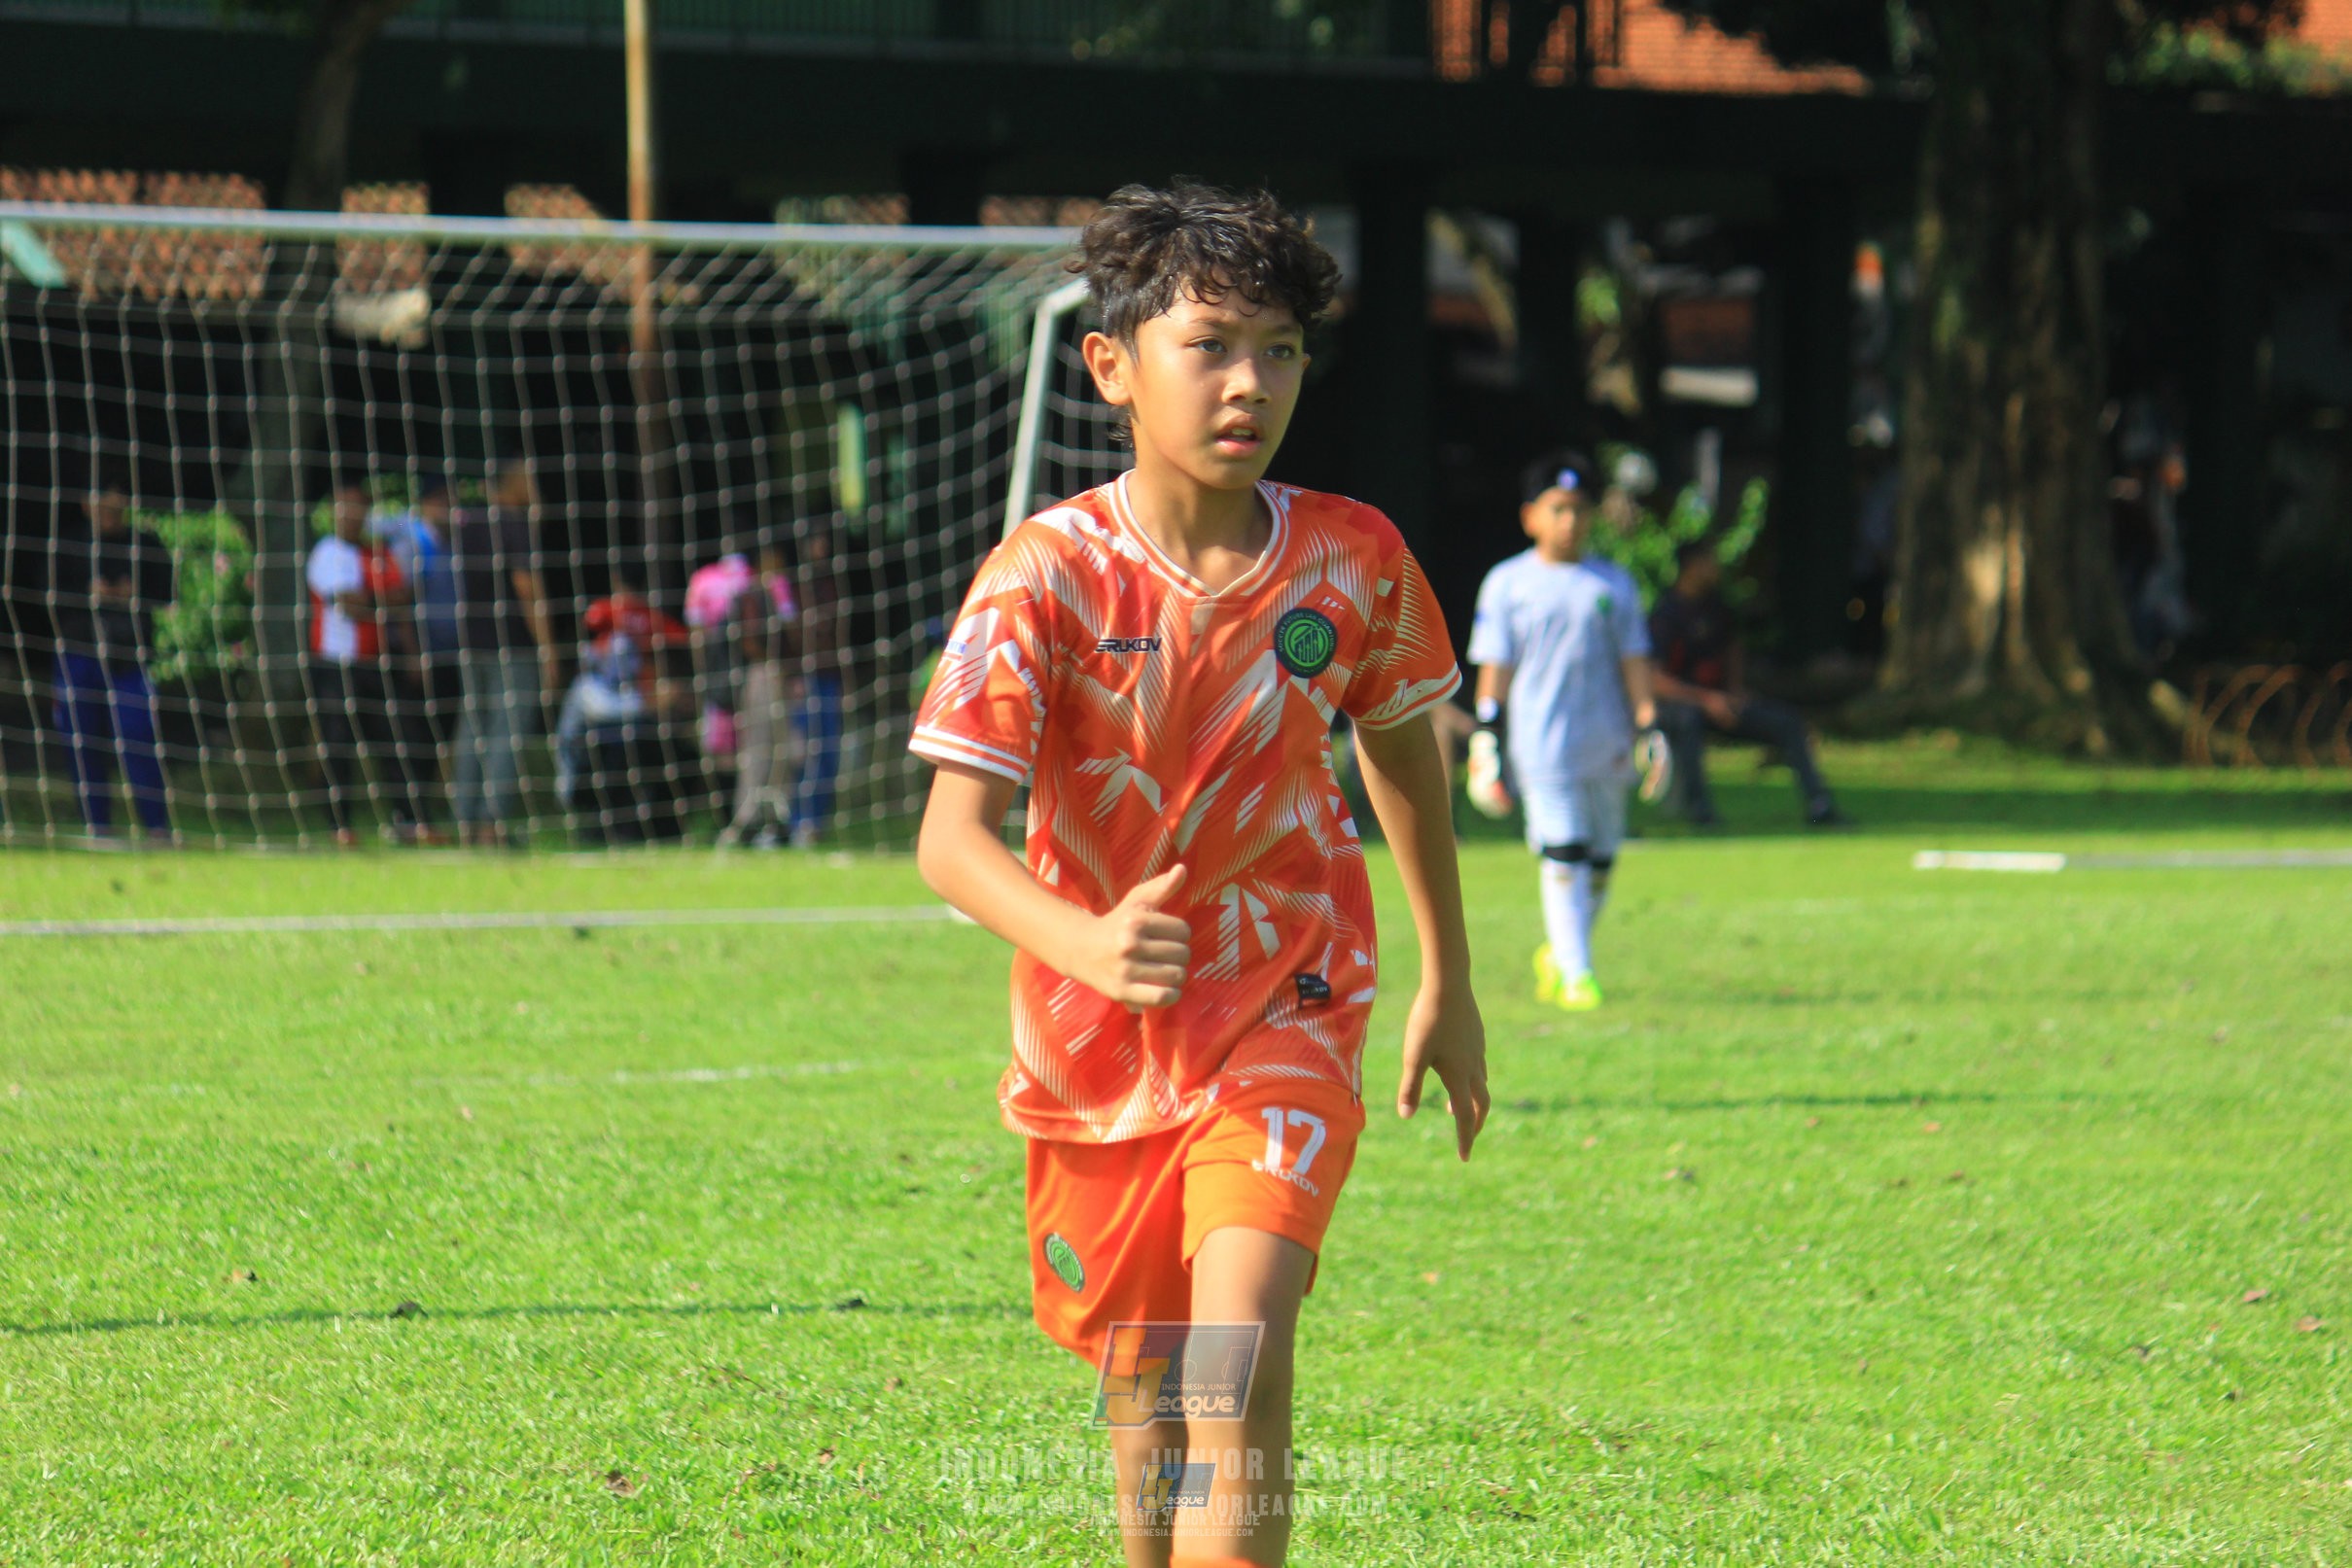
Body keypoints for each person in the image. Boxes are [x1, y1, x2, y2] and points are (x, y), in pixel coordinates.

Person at [912, 182, 1489, 1568]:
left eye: (1280, 349)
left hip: (1287, 1006)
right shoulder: (1041, 576)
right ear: (1109, 366)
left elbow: (1401, 760)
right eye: (1211, 344)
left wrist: (1445, 979)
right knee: (1149, 1396)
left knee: (1236, 1356)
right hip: (1095, 1047)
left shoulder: (1351, 560)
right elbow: (949, 835)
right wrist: (1087, 943)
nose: (1251, 383)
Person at [1465, 451, 1660, 1013]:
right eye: (1557, 509)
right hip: (1542, 746)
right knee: (1565, 852)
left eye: (1578, 509)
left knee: (1600, 860)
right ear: (1531, 516)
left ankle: (1560, 951)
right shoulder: (1509, 583)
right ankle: (1578, 973)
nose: (1569, 521)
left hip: (1607, 741)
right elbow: (1495, 666)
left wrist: (1649, 724)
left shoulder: (1613, 584)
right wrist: (1487, 735)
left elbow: (1634, 659)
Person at [1649, 539, 1847, 828]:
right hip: (1680, 706)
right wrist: (1707, 700)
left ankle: (1820, 805)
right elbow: (1655, 681)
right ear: (1692, 567)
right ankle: (1700, 813)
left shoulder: (1717, 607)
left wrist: (1735, 690)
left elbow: (1733, 647)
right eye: (1709, 561)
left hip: (1722, 704)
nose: (1716, 567)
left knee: (1787, 723)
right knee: (1688, 722)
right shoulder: (1665, 615)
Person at [48, 469, 175, 841]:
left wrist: (131, 593)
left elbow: (166, 592)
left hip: (129, 658)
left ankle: (156, 827)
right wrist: (90, 592)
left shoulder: (144, 543)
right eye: (102, 503)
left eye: (116, 503)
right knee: (81, 741)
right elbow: (45, 595)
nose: (110, 510)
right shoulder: (69, 544)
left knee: (138, 737)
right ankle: (97, 825)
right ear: (86, 506)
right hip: (79, 656)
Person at [305, 477, 434, 846]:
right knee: (337, 744)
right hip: (334, 665)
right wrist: (385, 600)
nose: (353, 515)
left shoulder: (376, 553)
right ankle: (339, 826)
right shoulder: (325, 553)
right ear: (334, 512)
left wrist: (413, 655)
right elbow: (350, 605)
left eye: (359, 507)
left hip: (376, 663)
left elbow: (403, 603)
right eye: (345, 508)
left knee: (396, 740)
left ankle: (407, 820)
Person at [448, 460, 555, 847]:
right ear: (518, 481)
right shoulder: (513, 524)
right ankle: (491, 824)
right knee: (505, 733)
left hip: (471, 643)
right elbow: (526, 587)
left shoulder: (468, 524)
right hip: (512, 646)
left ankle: (465, 823)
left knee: (472, 730)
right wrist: (548, 649)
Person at [557, 569, 690, 844]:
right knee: (618, 746)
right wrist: (652, 701)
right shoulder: (586, 688)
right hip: (582, 767)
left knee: (662, 746)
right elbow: (606, 710)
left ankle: (660, 830)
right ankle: (607, 831)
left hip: (625, 747)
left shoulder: (648, 625)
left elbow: (680, 638)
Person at [710, 543, 801, 849]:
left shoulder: (765, 593)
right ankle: (748, 821)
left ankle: (774, 821)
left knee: (782, 750)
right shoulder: (756, 594)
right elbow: (750, 640)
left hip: (771, 674)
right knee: (761, 749)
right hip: (763, 674)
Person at [787, 523, 843, 848]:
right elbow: (791, 634)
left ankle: (815, 823)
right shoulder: (794, 587)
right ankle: (800, 823)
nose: (820, 547)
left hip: (829, 677)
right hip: (805, 679)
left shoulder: (830, 584)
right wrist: (793, 675)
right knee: (806, 752)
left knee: (828, 753)